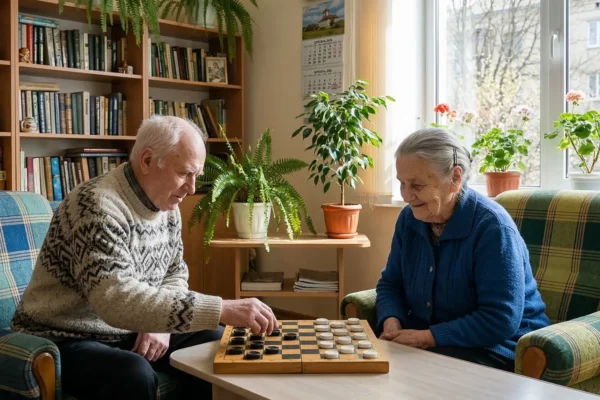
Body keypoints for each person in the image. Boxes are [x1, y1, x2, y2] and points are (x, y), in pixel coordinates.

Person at [11, 115, 278, 400]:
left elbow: (174, 272)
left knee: (215, 343)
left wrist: (162, 325)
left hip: (130, 325)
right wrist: (219, 308)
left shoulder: (167, 205)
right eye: (185, 173)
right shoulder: (97, 205)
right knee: (132, 373)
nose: (191, 188)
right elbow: (115, 299)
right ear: (148, 161)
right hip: (65, 335)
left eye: (196, 176)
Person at [375, 127, 550, 372]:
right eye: (402, 184)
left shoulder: (492, 227)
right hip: (431, 339)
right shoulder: (409, 219)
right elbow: (391, 284)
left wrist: (428, 337)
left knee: (417, 373)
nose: (406, 195)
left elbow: (500, 319)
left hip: (496, 346)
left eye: (416, 184)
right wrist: (391, 322)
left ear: (455, 178)